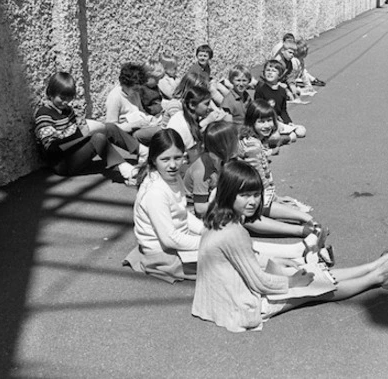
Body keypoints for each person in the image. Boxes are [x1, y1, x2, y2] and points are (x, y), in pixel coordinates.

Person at [191, 160, 388, 333]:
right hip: (241, 306)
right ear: (229, 194)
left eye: (256, 194)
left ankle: (373, 266)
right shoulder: (235, 231)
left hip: (220, 299)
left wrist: (281, 266)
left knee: (304, 272)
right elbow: (260, 283)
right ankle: (377, 276)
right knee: (315, 286)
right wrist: (293, 281)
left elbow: (239, 261)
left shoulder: (218, 218)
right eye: (244, 195)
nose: (253, 201)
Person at [185, 121, 323, 242]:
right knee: (241, 212)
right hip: (201, 213)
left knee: (254, 199)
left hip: (220, 199)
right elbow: (200, 208)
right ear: (224, 145)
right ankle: (299, 231)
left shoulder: (227, 158)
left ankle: (306, 218)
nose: (239, 144)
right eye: (235, 141)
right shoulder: (202, 171)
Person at [122, 129, 204, 283]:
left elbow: (182, 213)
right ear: (153, 159)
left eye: (177, 158)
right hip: (163, 253)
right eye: (165, 159)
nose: (173, 165)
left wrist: (204, 230)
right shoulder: (156, 192)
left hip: (177, 241)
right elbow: (170, 240)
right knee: (222, 263)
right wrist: (207, 240)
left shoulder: (173, 177)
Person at [34, 72, 146, 182]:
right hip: (61, 163)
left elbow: (73, 131)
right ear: (51, 93)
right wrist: (80, 134)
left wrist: (84, 130)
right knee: (98, 138)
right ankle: (124, 169)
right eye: (62, 98)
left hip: (74, 151)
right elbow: (51, 148)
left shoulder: (67, 110)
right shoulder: (44, 114)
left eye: (69, 99)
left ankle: (143, 151)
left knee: (109, 127)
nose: (65, 102)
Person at [105, 62, 161, 145]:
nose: (137, 91)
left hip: (140, 127)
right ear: (125, 84)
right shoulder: (115, 97)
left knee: (162, 126)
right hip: (128, 134)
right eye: (135, 89)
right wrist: (134, 125)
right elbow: (111, 128)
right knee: (160, 132)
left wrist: (150, 119)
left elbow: (141, 111)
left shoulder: (135, 93)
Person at [254, 60, 306, 140]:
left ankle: (285, 134)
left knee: (301, 132)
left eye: (274, 71)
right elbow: (257, 110)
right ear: (264, 73)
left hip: (277, 121)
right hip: (265, 121)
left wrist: (288, 122)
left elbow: (283, 110)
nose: (270, 73)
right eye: (268, 70)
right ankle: (282, 138)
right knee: (276, 136)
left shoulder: (282, 91)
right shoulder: (261, 89)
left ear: (280, 75)